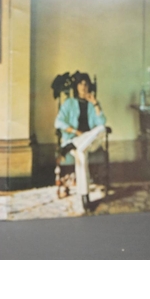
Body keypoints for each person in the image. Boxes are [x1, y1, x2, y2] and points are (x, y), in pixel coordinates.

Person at [54, 72, 107, 211]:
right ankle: (85, 197)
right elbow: (58, 122)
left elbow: (101, 123)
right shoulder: (69, 103)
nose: (83, 87)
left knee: (102, 128)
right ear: (76, 87)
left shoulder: (93, 104)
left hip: (90, 142)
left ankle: (72, 146)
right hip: (76, 139)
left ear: (89, 87)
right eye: (80, 84)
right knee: (81, 155)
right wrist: (76, 132)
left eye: (86, 84)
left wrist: (95, 103)